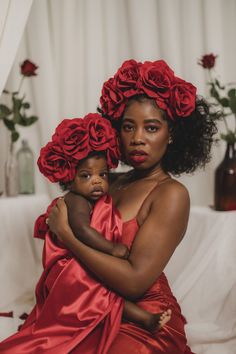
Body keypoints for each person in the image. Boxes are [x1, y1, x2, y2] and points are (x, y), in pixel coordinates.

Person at [46, 59, 217, 353]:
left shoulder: (170, 194)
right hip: (90, 305)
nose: (137, 138)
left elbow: (135, 283)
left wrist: (70, 237)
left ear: (171, 133)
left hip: (144, 318)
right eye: (128, 127)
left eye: (151, 128)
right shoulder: (108, 182)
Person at [0, 113, 170, 354]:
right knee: (102, 293)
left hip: (96, 266)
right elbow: (80, 230)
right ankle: (144, 318)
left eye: (103, 175)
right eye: (86, 176)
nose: (98, 182)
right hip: (72, 265)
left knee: (106, 296)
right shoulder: (76, 201)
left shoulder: (130, 189)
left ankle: (144, 319)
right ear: (70, 179)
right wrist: (112, 248)